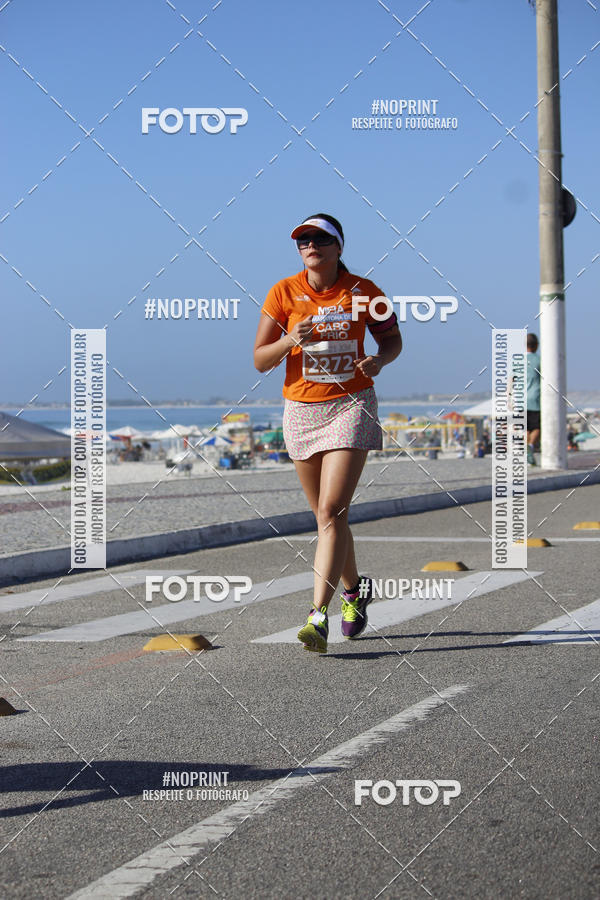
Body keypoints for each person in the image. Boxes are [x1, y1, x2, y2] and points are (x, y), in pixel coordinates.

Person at [253, 213, 402, 653]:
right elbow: (260, 360)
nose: (310, 246)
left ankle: (318, 616)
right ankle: (355, 593)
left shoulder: (364, 292)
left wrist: (380, 360)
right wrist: (288, 340)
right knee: (326, 517)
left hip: (351, 405)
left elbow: (393, 341)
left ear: (338, 247)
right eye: (303, 241)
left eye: (320, 239)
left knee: (333, 510)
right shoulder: (283, 292)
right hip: (301, 409)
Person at [526, 333, 541, 465]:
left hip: (520, 400)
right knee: (537, 427)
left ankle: (527, 452)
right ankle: (530, 447)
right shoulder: (538, 360)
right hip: (535, 399)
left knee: (526, 428)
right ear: (536, 345)